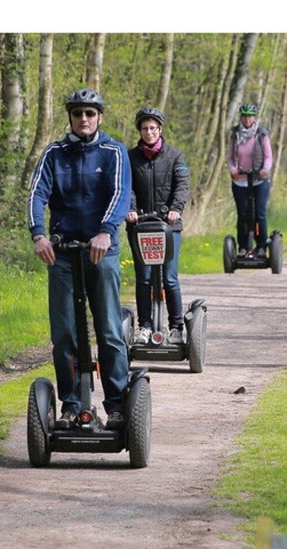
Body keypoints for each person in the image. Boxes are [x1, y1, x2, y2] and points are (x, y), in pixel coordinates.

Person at [28, 87, 131, 431]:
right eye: (78, 114)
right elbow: (37, 193)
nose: (83, 119)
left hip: (102, 251)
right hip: (63, 253)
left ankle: (116, 404)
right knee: (65, 335)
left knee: (109, 330)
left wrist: (106, 231)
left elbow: (119, 194)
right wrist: (38, 235)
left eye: (90, 113)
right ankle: (71, 404)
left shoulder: (113, 152)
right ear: (71, 118)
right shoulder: (54, 153)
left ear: (99, 117)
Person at [125, 107, 189, 346]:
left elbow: (182, 185)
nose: (149, 132)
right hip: (140, 226)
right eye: (144, 128)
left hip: (169, 227)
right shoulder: (130, 158)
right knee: (143, 279)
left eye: (153, 128)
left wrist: (176, 209)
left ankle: (175, 327)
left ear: (160, 129)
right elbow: (126, 187)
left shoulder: (175, 156)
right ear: (139, 131)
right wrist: (130, 210)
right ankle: (145, 326)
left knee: (169, 278)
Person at [227, 103, 273, 257]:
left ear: (255, 117)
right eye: (245, 116)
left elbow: (268, 157)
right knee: (243, 214)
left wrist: (265, 170)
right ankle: (244, 246)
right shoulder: (235, 134)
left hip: (259, 180)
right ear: (241, 117)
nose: (247, 119)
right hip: (240, 180)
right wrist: (232, 169)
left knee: (259, 213)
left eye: (250, 116)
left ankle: (261, 246)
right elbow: (230, 158)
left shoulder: (262, 135)